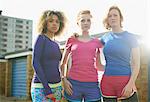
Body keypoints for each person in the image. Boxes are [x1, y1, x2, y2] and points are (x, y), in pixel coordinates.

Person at [60, 10, 103, 102]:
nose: (86, 23)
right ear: (78, 23)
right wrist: (64, 80)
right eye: (83, 20)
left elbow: (99, 66)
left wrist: (115, 69)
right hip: (73, 85)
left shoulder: (97, 42)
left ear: (91, 23)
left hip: (92, 85)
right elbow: (63, 63)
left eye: (88, 20)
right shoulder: (71, 40)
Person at [100, 6, 140, 102]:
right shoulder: (104, 38)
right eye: (110, 16)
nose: (112, 18)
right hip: (107, 84)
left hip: (125, 82)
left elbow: (136, 64)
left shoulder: (131, 37)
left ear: (120, 18)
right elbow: (90, 46)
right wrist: (76, 36)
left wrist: (130, 84)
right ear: (107, 20)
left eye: (115, 15)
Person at [31, 10, 67, 102]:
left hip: (57, 87)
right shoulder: (41, 38)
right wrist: (47, 89)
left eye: (57, 21)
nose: (54, 24)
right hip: (42, 88)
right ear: (45, 23)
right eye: (51, 21)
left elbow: (59, 64)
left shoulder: (56, 44)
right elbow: (36, 63)